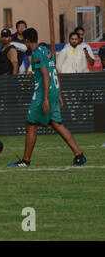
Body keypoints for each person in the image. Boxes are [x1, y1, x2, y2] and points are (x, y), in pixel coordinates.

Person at [8, 28, 87, 167]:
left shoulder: (37, 54)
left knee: (31, 125)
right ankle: (79, 155)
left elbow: (46, 75)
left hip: (42, 94)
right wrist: (59, 94)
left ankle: (25, 161)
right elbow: (55, 72)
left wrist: (45, 99)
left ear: (26, 40)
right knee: (57, 124)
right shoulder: (47, 51)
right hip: (54, 92)